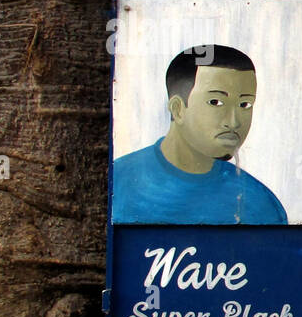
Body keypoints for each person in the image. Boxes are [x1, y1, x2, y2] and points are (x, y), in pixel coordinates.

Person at [112, 45, 287, 224]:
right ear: (178, 109)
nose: (233, 122)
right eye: (216, 102)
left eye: (245, 104)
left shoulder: (261, 206)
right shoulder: (117, 183)